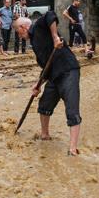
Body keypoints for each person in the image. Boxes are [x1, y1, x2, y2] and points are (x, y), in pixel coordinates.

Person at [14, 12, 82, 156]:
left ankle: (72, 149)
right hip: (53, 76)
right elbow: (46, 67)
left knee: (72, 108)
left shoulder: (38, 26)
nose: (19, 36)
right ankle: (45, 135)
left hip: (68, 70)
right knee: (44, 105)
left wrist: (55, 37)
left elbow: (51, 15)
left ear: (23, 27)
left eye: (18, 32)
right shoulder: (34, 43)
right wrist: (37, 85)